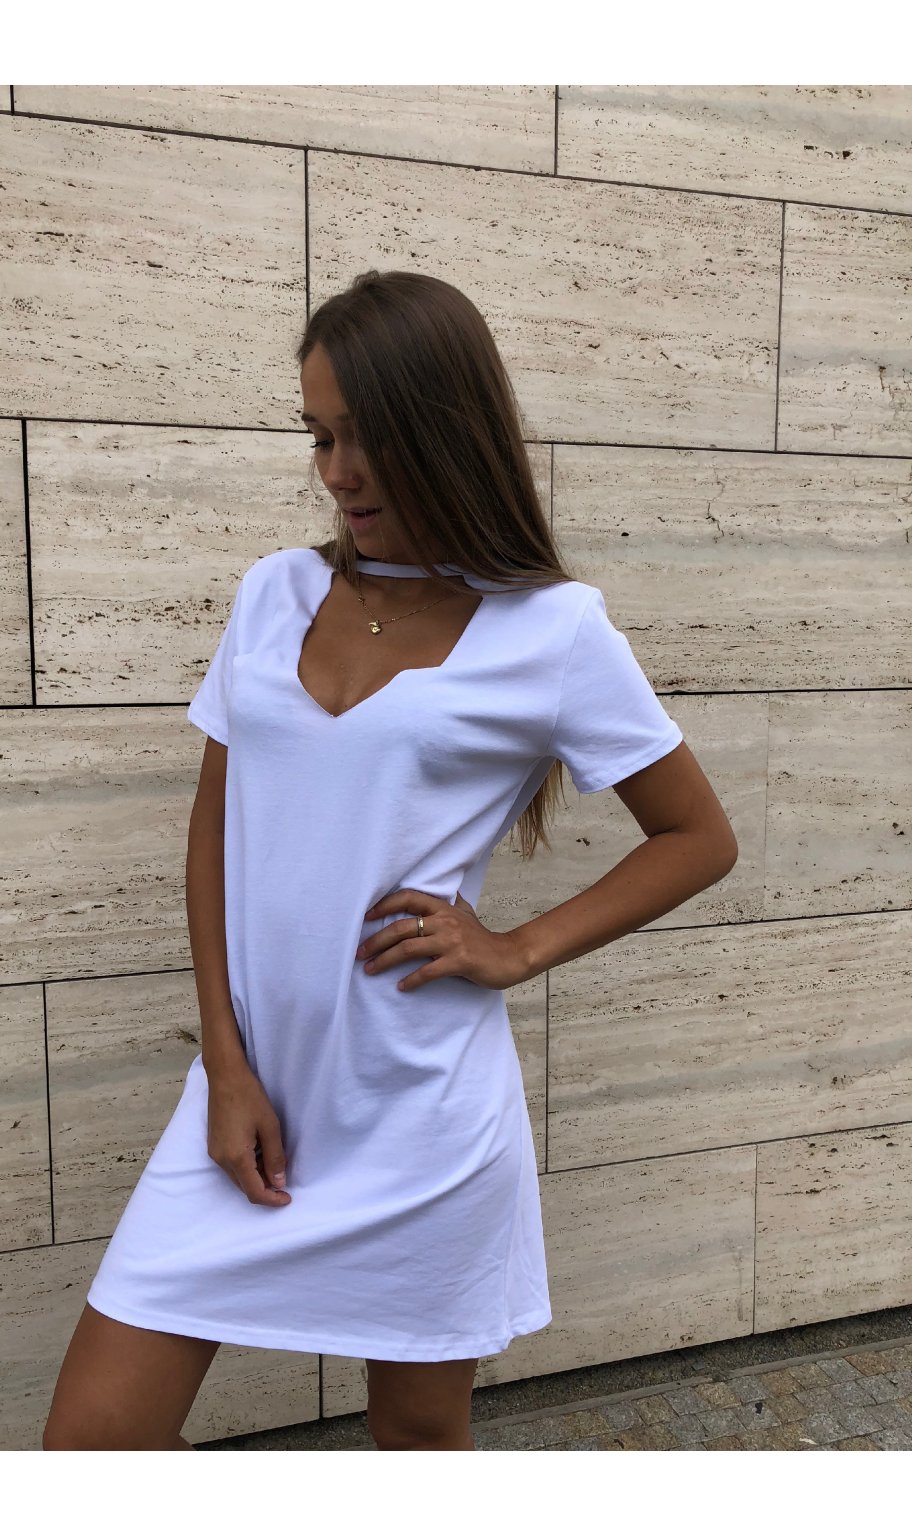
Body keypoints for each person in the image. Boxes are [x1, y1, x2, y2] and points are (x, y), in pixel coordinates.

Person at [43, 270, 738, 1452]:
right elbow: (215, 828)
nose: (337, 472)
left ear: (445, 430)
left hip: (421, 1116)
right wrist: (223, 1061)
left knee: (416, 1446)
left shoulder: (552, 631)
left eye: (365, 436)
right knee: (91, 1452)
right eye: (320, 436)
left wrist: (517, 946)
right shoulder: (276, 594)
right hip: (251, 1096)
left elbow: (698, 838)